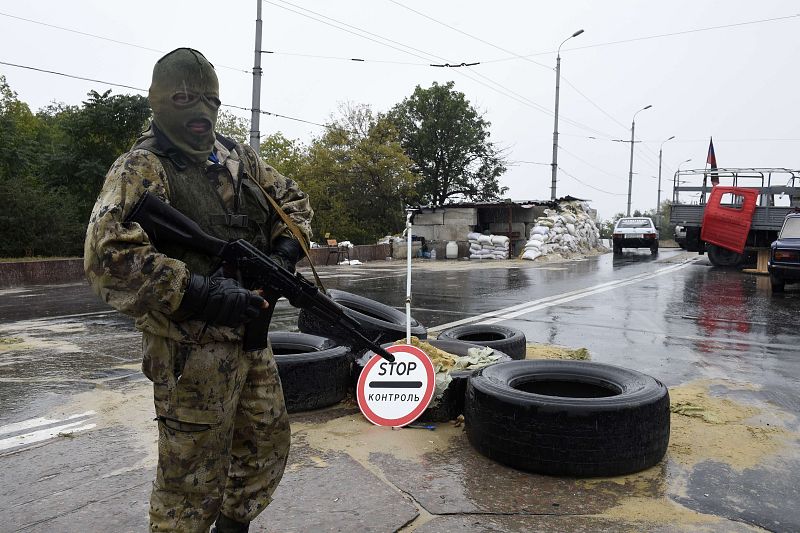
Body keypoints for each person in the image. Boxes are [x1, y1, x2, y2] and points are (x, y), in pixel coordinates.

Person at [84, 48, 313, 532]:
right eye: (185, 98)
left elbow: (292, 200)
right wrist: (203, 294)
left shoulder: (238, 158)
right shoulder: (141, 167)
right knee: (189, 480)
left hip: (250, 338)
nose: (201, 111)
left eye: (210, 99)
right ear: (160, 101)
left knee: (264, 447)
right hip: (189, 351)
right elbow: (110, 257)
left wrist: (284, 255)